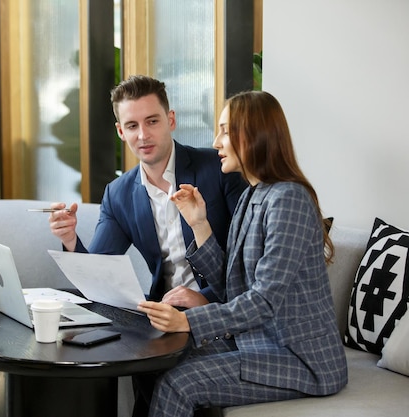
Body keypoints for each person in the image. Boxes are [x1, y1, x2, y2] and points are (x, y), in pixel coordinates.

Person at [136, 90, 348, 417]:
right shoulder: (254, 196)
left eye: (225, 130)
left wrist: (187, 321)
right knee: (157, 360)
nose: (216, 141)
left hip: (299, 359)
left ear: (253, 135)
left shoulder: (288, 199)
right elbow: (230, 288)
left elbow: (263, 300)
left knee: (180, 383)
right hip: (257, 344)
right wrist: (199, 223)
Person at [48, 75, 246, 307]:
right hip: (160, 314)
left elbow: (246, 258)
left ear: (170, 120)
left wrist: (205, 298)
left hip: (221, 311)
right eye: (132, 126)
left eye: (152, 121)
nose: (143, 135)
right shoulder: (117, 194)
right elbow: (98, 274)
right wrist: (70, 239)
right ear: (121, 131)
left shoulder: (219, 167)